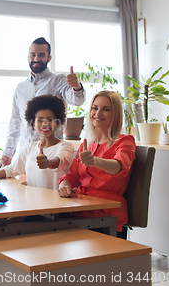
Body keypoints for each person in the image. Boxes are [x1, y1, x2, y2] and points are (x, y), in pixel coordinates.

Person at [57, 90, 136, 236]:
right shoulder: (86, 144)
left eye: (106, 109)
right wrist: (64, 185)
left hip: (106, 213)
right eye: (95, 108)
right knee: (35, 222)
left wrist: (95, 161)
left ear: (116, 114)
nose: (98, 113)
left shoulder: (125, 141)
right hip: (81, 208)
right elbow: (72, 176)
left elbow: (120, 167)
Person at [0, 37, 86, 167]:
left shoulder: (58, 80)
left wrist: (76, 87)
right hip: (25, 157)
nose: (36, 59)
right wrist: (8, 153)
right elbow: (15, 123)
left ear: (49, 58)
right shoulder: (20, 88)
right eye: (33, 55)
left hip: (51, 155)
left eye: (41, 55)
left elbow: (77, 100)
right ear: (28, 56)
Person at [0, 95, 74, 190]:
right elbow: (10, 170)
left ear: (57, 123)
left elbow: (59, 161)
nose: (45, 124)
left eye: (50, 119)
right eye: (40, 120)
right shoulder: (30, 148)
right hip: (31, 204)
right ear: (33, 124)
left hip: (56, 206)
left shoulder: (66, 146)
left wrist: (48, 163)